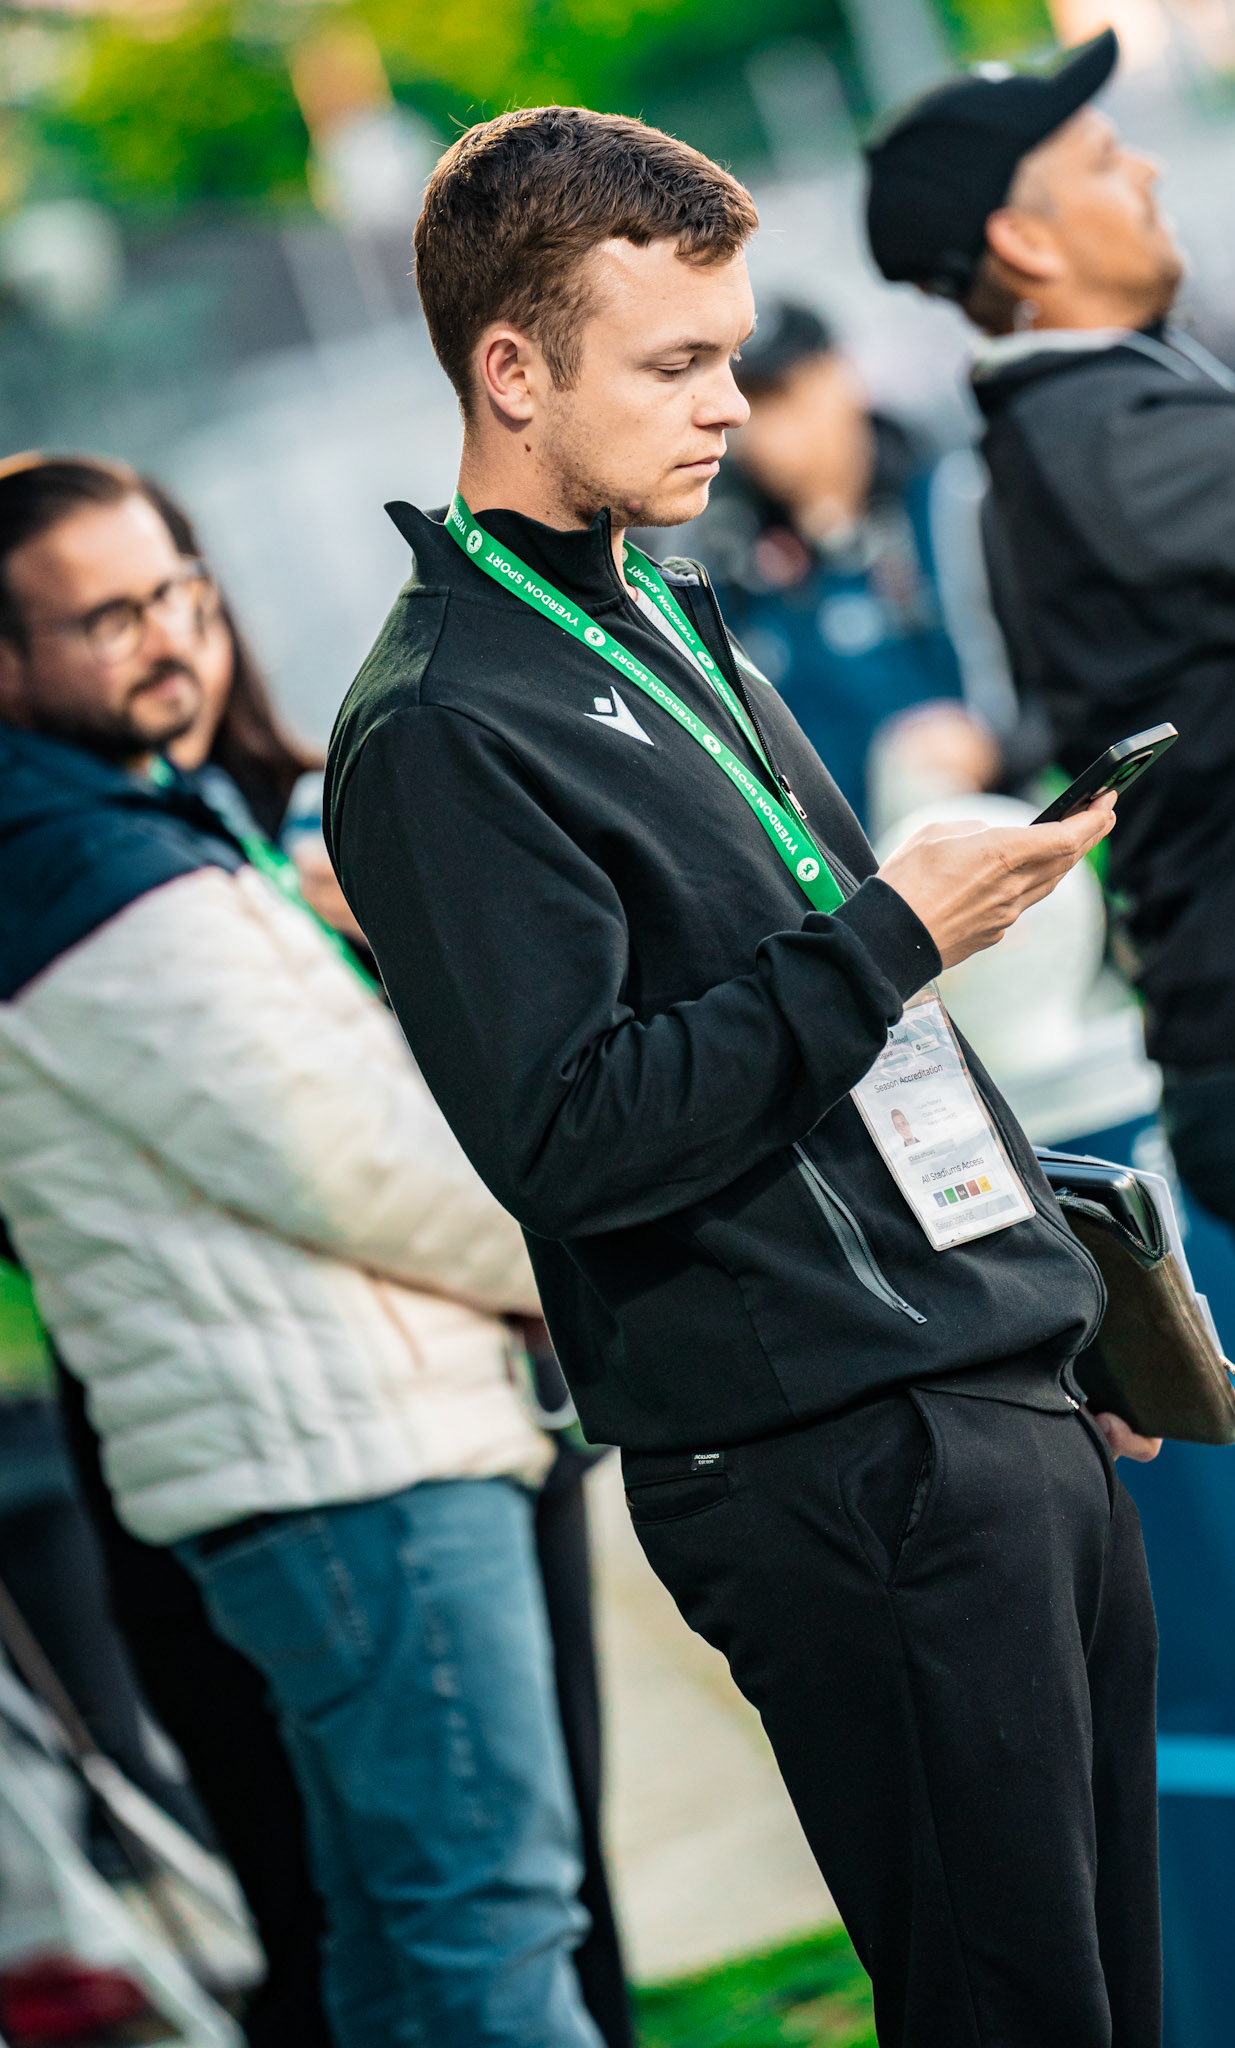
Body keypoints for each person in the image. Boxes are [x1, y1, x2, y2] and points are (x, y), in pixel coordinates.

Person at [326, 104, 1162, 2048]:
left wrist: (1054, 1298)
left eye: (730, 351)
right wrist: (892, 933)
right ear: (512, 371)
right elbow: (571, 1129)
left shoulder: (667, 613)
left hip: (994, 1389)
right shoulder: (441, 721)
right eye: (674, 362)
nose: (729, 401)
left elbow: (855, 1025)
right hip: (842, 1460)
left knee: (1118, 1997)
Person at [0, 457, 606, 2048]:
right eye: (109, 616)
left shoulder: (124, 827)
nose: (169, 635)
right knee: (490, 1937)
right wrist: (593, 1258)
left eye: (177, 591)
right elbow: (358, 1167)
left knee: (409, 1954)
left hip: (336, 1454)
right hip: (353, 1468)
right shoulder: (75, 871)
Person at [865, 30, 1235, 1492]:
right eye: (1097, 159)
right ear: (1025, 241)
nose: (1142, 166)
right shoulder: (1100, 437)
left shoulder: (1096, 422)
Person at [687, 298, 991, 823]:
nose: (765, 432)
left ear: (840, 376)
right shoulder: (718, 548)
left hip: (970, 821)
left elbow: (1052, 686)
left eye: (783, 396)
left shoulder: (953, 503)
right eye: (750, 402)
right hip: (811, 855)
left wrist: (993, 745)